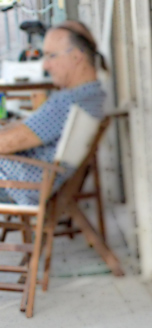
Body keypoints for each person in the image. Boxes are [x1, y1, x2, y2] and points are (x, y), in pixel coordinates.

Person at [0, 20, 107, 205]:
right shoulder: (90, 95)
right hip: (35, 180)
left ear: (76, 57)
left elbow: (8, 143)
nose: (45, 65)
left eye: (51, 56)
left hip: (21, 186)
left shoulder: (67, 102)